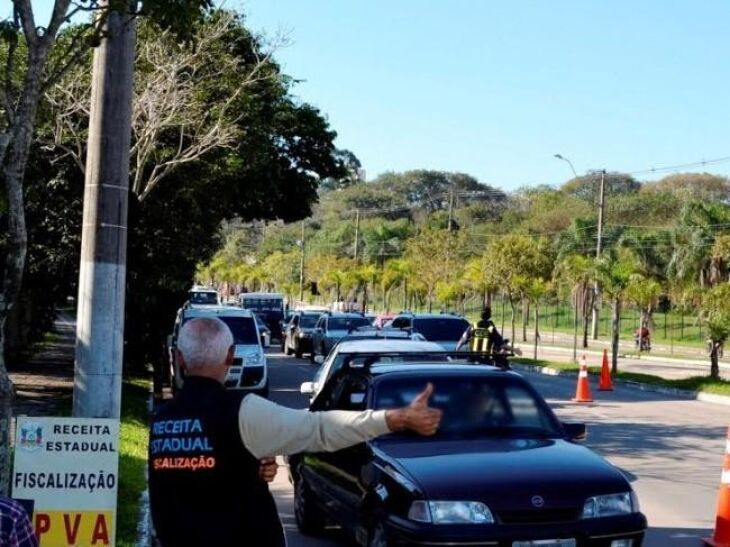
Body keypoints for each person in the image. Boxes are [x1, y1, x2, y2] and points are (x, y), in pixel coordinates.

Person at [149, 317, 442, 547]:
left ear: (180, 358)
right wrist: (395, 419)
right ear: (230, 356)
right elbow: (319, 429)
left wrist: (250, 465)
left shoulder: (161, 421)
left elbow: (195, 474)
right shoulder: (242, 411)